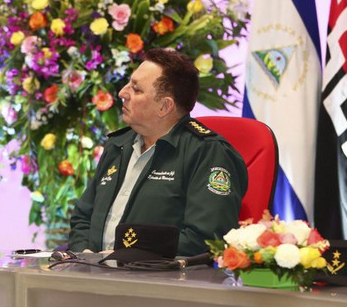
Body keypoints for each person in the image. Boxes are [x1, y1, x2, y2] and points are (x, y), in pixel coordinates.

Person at [68, 48, 247, 256]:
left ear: (165, 106)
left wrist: (128, 256)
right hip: (92, 270)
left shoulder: (207, 152)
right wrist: (84, 253)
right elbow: (82, 217)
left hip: (158, 276)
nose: (122, 93)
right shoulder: (117, 145)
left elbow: (207, 238)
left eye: (136, 89)